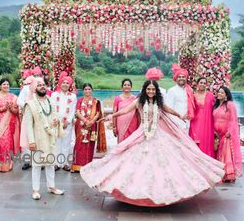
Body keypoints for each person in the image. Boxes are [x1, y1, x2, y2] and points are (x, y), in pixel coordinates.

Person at [80, 80, 225, 207]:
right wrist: (111, 116)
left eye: (153, 89)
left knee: (163, 163)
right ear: (144, 90)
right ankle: (135, 192)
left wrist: (180, 115)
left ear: (156, 91)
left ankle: (163, 192)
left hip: (158, 136)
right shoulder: (139, 102)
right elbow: (125, 110)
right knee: (132, 161)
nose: (150, 91)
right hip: (141, 134)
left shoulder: (159, 102)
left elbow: (168, 110)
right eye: (148, 89)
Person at [23, 77, 65, 200]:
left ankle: (51, 187)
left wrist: (57, 122)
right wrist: (31, 141)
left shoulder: (50, 101)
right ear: (34, 88)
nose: (42, 86)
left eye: (43, 84)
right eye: (39, 85)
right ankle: (35, 190)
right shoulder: (29, 104)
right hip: (37, 138)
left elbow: (54, 116)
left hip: (50, 137)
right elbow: (28, 125)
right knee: (36, 164)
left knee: (50, 163)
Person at [71, 83, 106, 172]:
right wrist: (86, 121)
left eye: (89, 89)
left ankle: (88, 165)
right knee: (79, 144)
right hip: (80, 125)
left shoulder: (96, 101)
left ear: (92, 90)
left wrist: (92, 121)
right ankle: (77, 166)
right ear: (83, 91)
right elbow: (77, 112)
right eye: (85, 89)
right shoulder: (79, 100)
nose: (87, 91)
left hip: (92, 125)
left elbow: (98, 113)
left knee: (90, 145)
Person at [213, 86, 242, 182]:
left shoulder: (229, 104)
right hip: (217, 134)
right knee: (219, 153)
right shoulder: (216, 105)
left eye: (222, 93)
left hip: (226, 134)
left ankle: (227, 175)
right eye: (219, 92)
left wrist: (229, 131)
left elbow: (233, 119)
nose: (219, 94)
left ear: (226, 95)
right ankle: (221, 173)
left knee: (226, 154)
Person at [0, 78, 20, 172]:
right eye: (4, 84)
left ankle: (7, 165)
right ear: (0, 86)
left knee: (7, 143)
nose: (6, 86)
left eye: (7, 84)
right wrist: (3, 108)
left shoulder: (13, 97)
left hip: (9, 124)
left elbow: (17, 111)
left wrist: (11, 109)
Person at [51, 71, 77, 171]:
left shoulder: (72, 96)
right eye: (63, 83)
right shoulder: (54, 95)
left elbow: (72, 110)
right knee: (57, 142)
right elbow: (52, 108)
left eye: (67, 83)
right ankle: (57, 163)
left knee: (66, 142)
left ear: (69, 85)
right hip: (56, 123)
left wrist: (68, 121)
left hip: (67, 124)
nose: (65, 84)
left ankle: (65, 162)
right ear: (60, 84)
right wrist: (56, 120)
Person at [190, 77, 216, 158]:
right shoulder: (193, 96)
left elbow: (215, 110)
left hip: (208, 123)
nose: (202, 84)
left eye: (204, 83)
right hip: (195, 123)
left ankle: (206, 162)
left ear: (206, 85)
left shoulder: (210, 96)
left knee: (206, 142)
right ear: (197, 84)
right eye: (201, 82)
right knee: (196, 142)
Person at [165, 64, 195, 131]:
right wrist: (176, 119)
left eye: (183, 77)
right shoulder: (172, 91)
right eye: (179, 77)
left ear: (186, 78)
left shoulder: (189, 90)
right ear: (176, 78)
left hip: (187, 122)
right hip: (176, 123)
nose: (181, 78)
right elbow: (168, 109)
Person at [112, 78, 139, 143]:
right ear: (122, 87)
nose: (127, 86)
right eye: (125, 85)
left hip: (133, 124)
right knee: (122, 143)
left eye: (128, 85)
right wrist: (114, 127)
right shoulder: (117, 99)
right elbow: (114, 113)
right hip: (120, 124)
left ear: (131, 87)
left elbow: (138, 113)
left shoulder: (135, 98)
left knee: (132, 142)